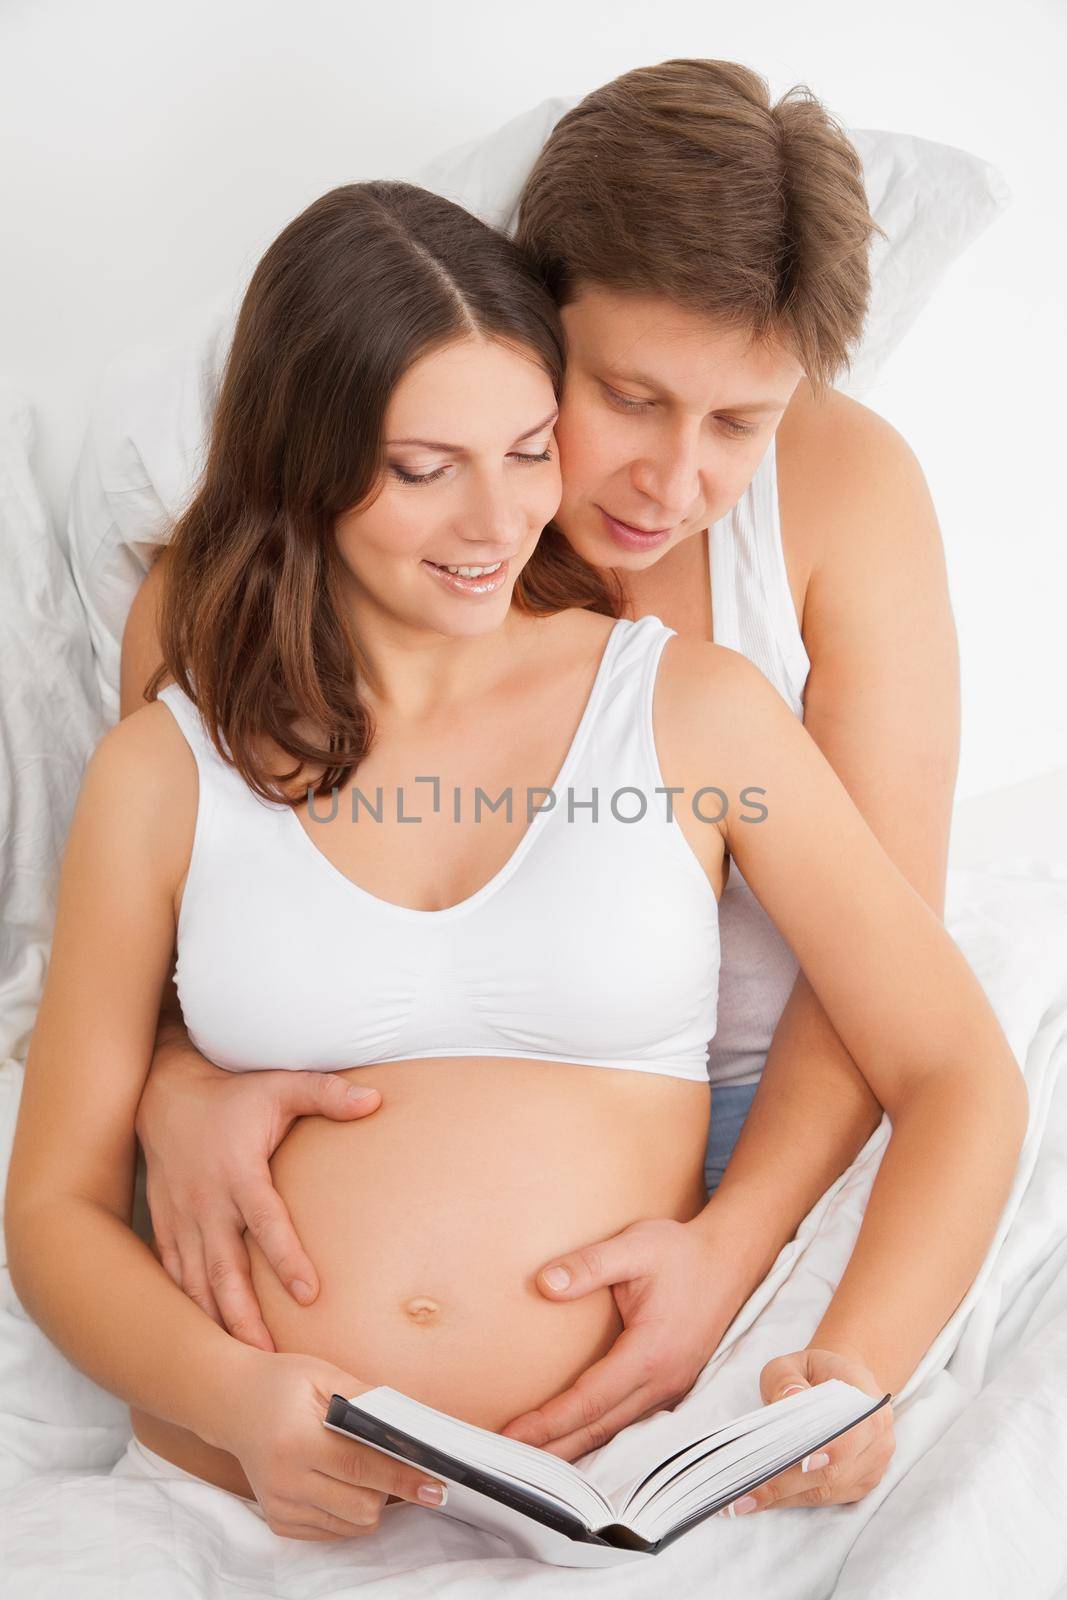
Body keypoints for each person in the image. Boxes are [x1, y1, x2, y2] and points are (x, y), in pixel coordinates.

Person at [6, 176, 1025, 1547]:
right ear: (303, 459)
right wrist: (235, 1394)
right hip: (239, 1498)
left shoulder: (688, 709)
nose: (497, 523)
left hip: (626, 1489)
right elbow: (58, 1204)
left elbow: (958, 1069)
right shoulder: (167, 770)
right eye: (427, 469)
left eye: (532, 450)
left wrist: (853, 1375)